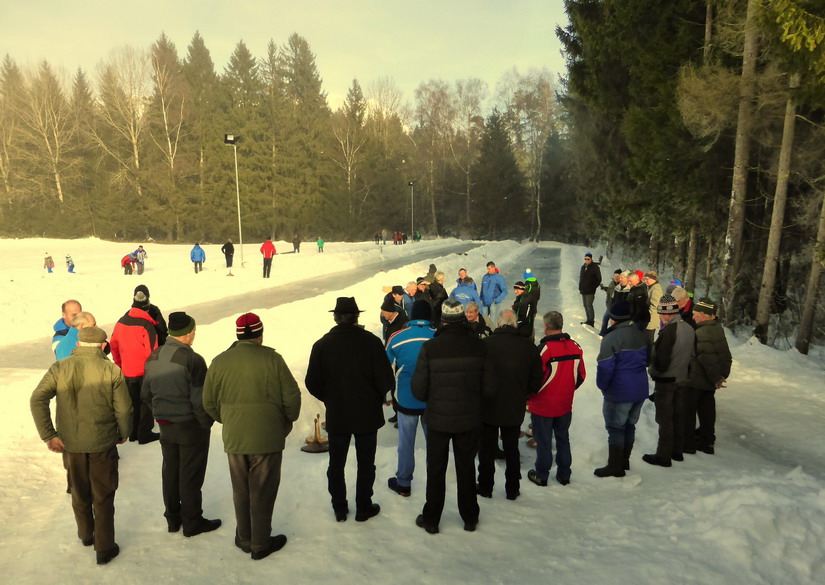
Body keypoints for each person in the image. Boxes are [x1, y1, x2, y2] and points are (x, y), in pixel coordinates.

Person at [30, 326, 132, 566]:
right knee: (104, 494)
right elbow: (125, 408)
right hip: (102, 443)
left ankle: (86, 534)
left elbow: (37, 398)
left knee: (79, 489)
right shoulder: (111, 370)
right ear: (102, 346)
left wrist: (49, 435)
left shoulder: (59, 368)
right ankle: (104, 547)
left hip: (71, 443)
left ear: (77, 345)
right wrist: (124, 432)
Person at [203, 312, 301, 560]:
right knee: (263, 490)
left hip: (235, 437)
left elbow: (209, 402)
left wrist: (229, 419)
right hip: (267, 436)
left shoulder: (220, 361)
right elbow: (292, 398)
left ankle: (244, 537)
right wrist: (284, 422)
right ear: (259, 335)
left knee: (241, 489)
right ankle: (260, 543)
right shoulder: (272, 359)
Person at [306, 297, 395, 523]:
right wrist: (377, 396)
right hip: (367, 413)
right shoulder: (371, 342)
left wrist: (329, 398)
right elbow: (386, 378)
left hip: (338, 413)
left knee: (336, 463)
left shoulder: (322, 345)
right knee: (366, 463)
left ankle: (339, 507)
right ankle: (364, 506)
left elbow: (312, 382)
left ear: (335, 318)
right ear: (357, 317)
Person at [411, 299, 493, 534]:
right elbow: (490, 387)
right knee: (466, 468)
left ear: (443, 320)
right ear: (462, 319)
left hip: (437, 419)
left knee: (436, 469)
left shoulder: (430, 348)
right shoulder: (478, 346)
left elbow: (418, 390)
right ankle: (469, 518)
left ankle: (431, 519)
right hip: (468, 419)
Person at [142, 312, 221, 537]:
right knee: (190, 474)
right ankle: (192, 521)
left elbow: (145, 394)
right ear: (186, 334)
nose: (194, 335)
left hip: (165, 425)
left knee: (171, 471)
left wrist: (160, 412)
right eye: (193, 331)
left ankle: (173, 519)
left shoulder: (153, 357)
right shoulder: (193, 360)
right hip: (189, 425)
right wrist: (206, 422)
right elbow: (200, 399)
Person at [478, 309, 542, 499]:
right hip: (514, 405)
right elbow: (537, 378)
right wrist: (524, 392)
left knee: (486, 449)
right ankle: (512, 489)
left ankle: (485, 486)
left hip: (488, 405)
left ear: (498, 324)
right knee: (512, 448)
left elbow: (476, 374)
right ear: (515, 324)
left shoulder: (485, 344)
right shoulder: (528, 347)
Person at [526, 311, 586, 487]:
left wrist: (529, 396)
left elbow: (535, 377)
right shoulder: (576, 346)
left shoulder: (544, 349)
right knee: (563, 438)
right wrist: (567, 389)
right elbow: (581, 375)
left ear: (546, 326)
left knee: (543, 441)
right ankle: (564, 474)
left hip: (543, 405)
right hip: (564, 403)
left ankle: (542, 475)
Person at [385, 300, 437, 497]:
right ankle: (434, 481)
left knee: (406, 442)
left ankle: (404, 483)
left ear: (412, 315)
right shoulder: (438, 335)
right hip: (432, 399)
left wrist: (386, 394)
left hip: (406, 398)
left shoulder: (397, 337)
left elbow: (385, 366)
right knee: (434, 443)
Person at [593, 301, 650, 477]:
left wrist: (603, 386)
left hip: (619, 390)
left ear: (613, 318)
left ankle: (615, 466)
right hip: (640, 388)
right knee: (629, 425)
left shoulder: (611, 339)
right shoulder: (642, 334)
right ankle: (624, 461)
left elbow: (605, 368)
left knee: (616, 428)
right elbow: (649, 359)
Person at [643, 294, 696, 468]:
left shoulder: (669, 331)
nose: (659, 317)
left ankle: (663, 456)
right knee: (678, 415)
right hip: (682, 378)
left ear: (667, 313)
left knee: (665, 418)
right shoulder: (688, 328)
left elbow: (662, 359)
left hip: (667, 381)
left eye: (660, 314)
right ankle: (676, 451)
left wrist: (654, 371)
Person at [110, 290, 160, 444]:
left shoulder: (121, 322)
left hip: (127, 371)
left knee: (132, 402)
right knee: (146, 402)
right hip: (143, 372)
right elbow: (152, 353)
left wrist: (119, 364)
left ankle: (132, 431)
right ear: (147, 307)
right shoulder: (147, 326)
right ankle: (144, 433)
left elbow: (114, 345)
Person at [683, 299, 732, 455]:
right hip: (707, 382)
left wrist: (716, 378)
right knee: (707, 410)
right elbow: (725, 355)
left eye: (695, 314)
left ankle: (688, 443)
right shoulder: (717, 328)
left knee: (688, 411)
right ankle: (707, 440)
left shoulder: (701, 333)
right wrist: (722, 375)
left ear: (704, 315)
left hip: (697, 380)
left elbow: (707, 359)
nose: (693, 317)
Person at [578, 252, 601, 327]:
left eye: (588, 259)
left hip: (590, 291)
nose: (586, 260)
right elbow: (581, 278)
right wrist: (580, 286)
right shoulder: (583, 267)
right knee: (585, 305)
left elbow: (599, 279)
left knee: (589, 305)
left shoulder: (595, 267)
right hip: (583, 290)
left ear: (591, 259)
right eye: (585, 259)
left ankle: (591, 321)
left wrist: (592, 287)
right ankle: (588, 319)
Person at [644, 271, 664, 343]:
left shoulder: (655, 289)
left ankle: (649, 353)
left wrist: (646, 316)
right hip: (649, 318)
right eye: (644, 279)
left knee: (648, 340)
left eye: (647, 279)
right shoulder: (651, 287)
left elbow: (654, 305)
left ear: (653, 279)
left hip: (651, 319)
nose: (645, 281)